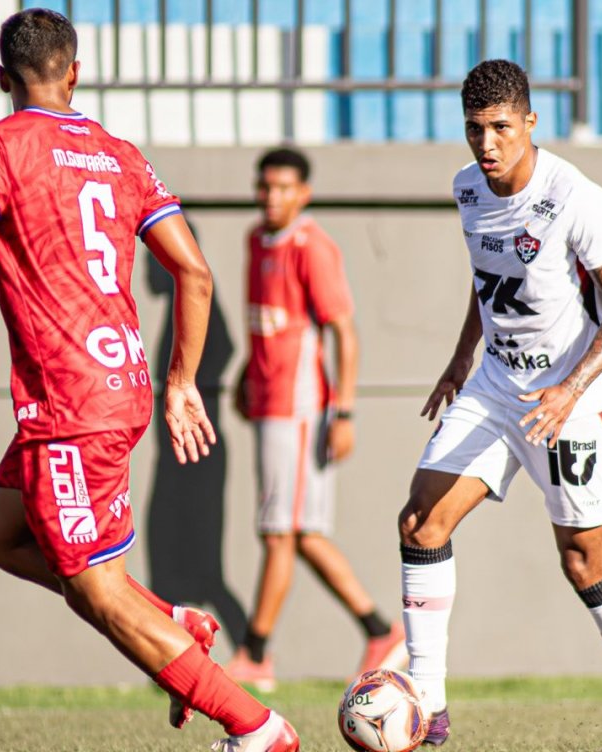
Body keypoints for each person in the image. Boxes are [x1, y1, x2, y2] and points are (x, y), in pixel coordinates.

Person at [0, 9, 298, 751]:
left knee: (97, 591)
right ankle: (177, 623)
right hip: (122, 389)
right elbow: (195, 273)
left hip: (71, 405)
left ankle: (257, 727)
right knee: (0, 533)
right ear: (74, 72)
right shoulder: (120, 153)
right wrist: (181, 384)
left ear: (1, 78)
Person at [397, 60, 602, 751]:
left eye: (500, 127)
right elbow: (488, 278)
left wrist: (571, 387)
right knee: (420, 522)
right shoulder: (468, 188)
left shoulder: (575, 197)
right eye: (474, 129)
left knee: (583, 561)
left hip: (574, 396)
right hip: (496, 385)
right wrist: (463, 356)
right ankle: (427, 707)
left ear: (529, 123)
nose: (486, 144)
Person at [224, 147, 406, 691]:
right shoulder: (255, 240)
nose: (272, 196)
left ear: (304, 192)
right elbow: (267, 326)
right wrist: (243, 379)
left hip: (301, 409)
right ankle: (380, 631)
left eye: (283, 187)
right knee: (298, 534)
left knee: (281, 533)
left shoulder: (313, 246)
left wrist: (343, 412)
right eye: (265, 186)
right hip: (268, 404)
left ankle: (256, 654)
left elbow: (343, 333)